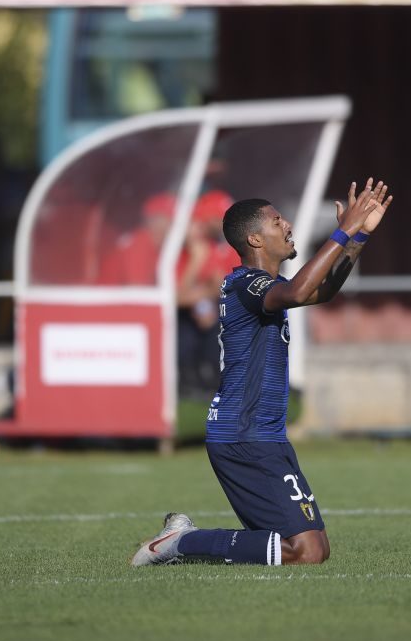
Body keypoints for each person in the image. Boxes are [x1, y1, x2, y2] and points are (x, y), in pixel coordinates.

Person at [132, 178, 392, 566]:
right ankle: (178, 543)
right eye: (276, 221)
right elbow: (303, 291)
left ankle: (186, 541)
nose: (287, 225)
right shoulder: (245, 284)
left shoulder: (269, 286)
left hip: (264, 434)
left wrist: (359, 238)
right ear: (254, 240)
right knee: (308, 553)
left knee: (314, 547)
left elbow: (323, 290)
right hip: (242, 434)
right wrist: (344, 229)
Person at [176, 191, 241, 395]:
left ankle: (212, 377)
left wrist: (203, 299)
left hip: (203, 308)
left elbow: (221, 284)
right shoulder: (183, 248)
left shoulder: (214, 246)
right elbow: (176, 298)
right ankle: (189, 379)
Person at [98, 192, 175, 285]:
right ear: (155, 220)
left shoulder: (158, 246)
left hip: (123, 296)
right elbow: (137, 289)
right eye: (170, 218)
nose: (174, 224)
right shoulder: (140, 243)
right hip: (104, 297)